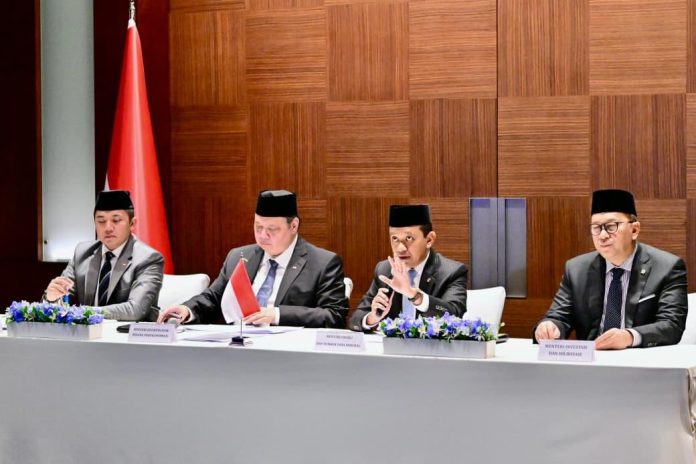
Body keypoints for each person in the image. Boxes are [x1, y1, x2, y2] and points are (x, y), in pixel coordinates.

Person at [158, 190, 348, 327]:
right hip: (237, 347)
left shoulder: (322, 263)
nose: (263, 235)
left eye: (272, 229)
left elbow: (334, 315)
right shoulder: (239, 256)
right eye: (258, 227)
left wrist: (277, 315)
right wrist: (187, 310)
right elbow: (213, 297)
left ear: (293, 226)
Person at [535, 189, 687, 349]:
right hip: (592, 358)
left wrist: (629, 336)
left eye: (611, 226)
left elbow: (672, 325)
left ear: (634, 230)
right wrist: (549, 326)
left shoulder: (667, 267)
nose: (602, 235)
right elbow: (559, 316)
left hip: (640, 358)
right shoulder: (576, 269)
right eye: (596, 228)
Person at [43, 190, 164, 321]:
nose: (108, 228)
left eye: (116, 220)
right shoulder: (82, 253)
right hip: (88, 332)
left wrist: (85, 312)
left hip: (126, 332)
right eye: (101, 221)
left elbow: (135, 310)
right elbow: (62, 301)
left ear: (132, 224)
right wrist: (52, 299)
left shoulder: (148, 258)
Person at [350, 204, 468, 332]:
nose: (400, 248)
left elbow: (454, 315)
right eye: (395, 238)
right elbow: (355, 320)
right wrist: (373, 317)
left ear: (429, 239)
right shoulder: (384, 269)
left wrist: (413, 295)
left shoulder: (451, 272)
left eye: (409, 238)